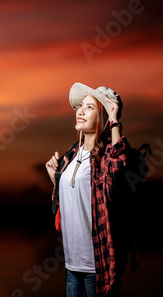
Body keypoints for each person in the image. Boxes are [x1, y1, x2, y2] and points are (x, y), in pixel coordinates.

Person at [45, 82, 133, 297]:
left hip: (97, 266)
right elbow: (68, 208)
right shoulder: (71, 155)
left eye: (90, 107)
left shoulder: (104, 158)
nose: (80, 111)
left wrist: (114, 121)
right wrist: (56, 181)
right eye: (80, 107)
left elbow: (120, 162)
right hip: (72, 264)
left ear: (102, 118)